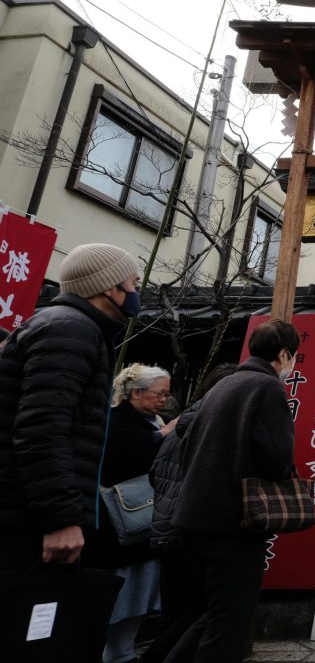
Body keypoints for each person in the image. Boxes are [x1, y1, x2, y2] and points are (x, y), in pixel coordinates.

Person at [0, 242, 141, 572]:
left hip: (25, 510)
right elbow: (42, 429)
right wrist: (60, 519)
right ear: (110, 287)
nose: (136, 291)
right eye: (133, 283)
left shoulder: (70, 326)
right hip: (25, 518)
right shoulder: (72, 329)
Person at [165, 319, 300, 663]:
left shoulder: (225, 384)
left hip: (194, 515)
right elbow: (276, 460)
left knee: (215, 613)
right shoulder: (267, 388)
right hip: (230, 523)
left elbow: (186, 439)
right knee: (230, 623)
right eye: (293, 355)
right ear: (284, 354)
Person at [140, 363, 237, 663]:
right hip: (191, 529)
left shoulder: (180, 426)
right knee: (203, 608)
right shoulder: (210, 426)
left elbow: (156, 474)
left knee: (178, 609)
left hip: (165, 527)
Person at [92, 364, 176, 663]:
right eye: (159, 393)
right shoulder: (115, 421)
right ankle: (117, 653)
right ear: (136, 392)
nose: (164, 400)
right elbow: (128, 458)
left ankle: (121, 651)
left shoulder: (152, 420)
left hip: (144, 522)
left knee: (140, 594)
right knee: (124, 593)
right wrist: (166, 434)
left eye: (167, 394)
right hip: (119, 526)